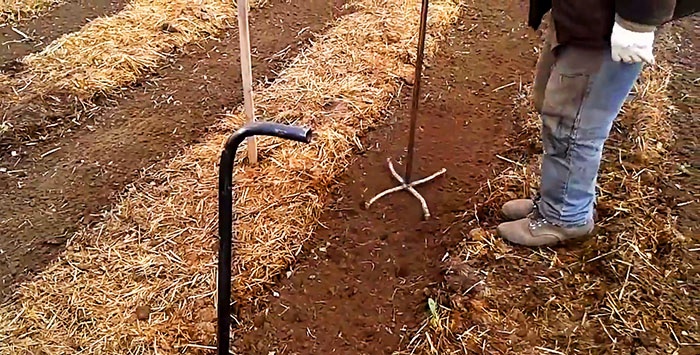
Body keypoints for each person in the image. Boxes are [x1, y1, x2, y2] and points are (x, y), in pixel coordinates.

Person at [496, 0, 698, 247]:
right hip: (582, 13)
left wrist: (637, 20)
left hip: (604, 23)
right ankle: (556, 200)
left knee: (573, 124)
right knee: (556, 109)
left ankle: (564, 216)